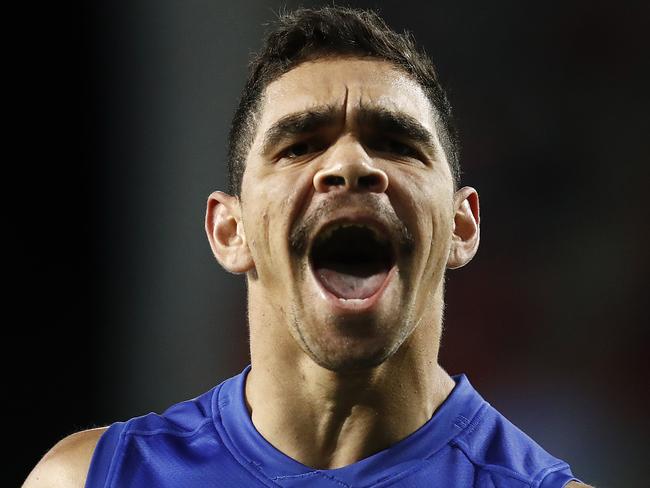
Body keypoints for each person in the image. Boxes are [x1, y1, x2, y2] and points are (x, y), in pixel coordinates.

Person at [25, 6, 593, 488]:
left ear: (460, 226)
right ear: (231, 231)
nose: (350, 164)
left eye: (397, 144)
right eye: (298, 147)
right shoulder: (91, 478)